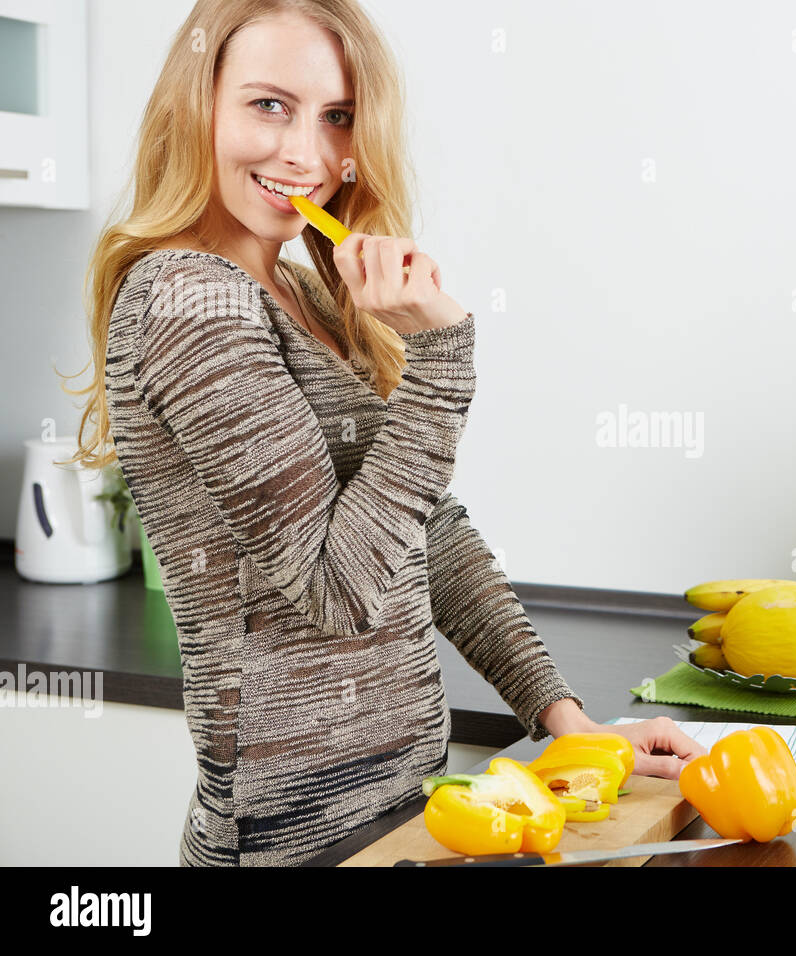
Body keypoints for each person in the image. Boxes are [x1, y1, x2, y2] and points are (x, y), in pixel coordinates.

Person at [64, 0, 705, 866]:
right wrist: (442, 359)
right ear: (197, 101)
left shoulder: (311, 291)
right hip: (294, 840)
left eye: (337, 118)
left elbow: (428, 536)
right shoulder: (190, 298)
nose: (307, 154)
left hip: (400, 815)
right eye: (268, 105)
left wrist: (570, 723)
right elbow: (338, 588)